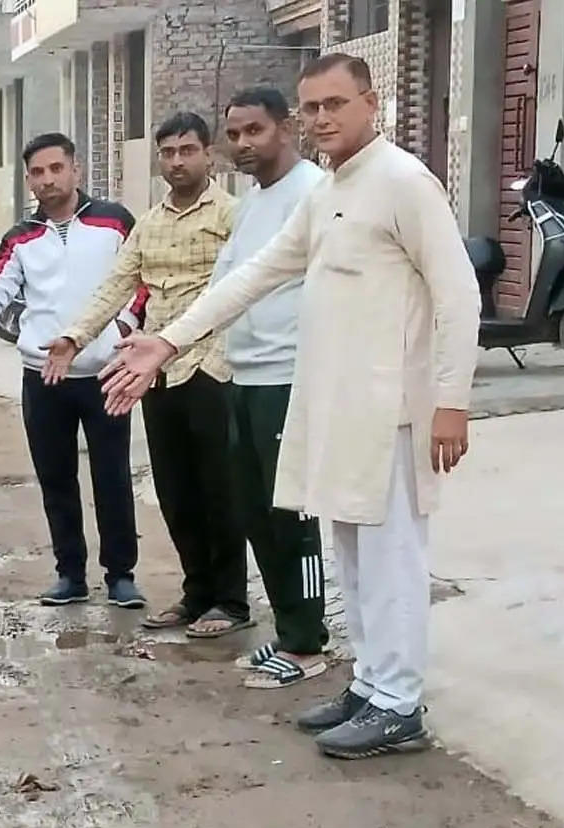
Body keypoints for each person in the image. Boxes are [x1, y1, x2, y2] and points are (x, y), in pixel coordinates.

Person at [98, 54, 479, 759]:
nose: (322, 119)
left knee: (393, 556)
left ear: (372, 103)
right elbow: (256, 274)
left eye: (336, 104)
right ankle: (370, 682)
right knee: (355, 552)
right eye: (311, 108)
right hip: (337, 403)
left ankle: (399, 705)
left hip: (394, 408)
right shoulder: (330, 191)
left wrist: (452, 402)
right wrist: (169, 342)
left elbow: (460, 296)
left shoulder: (403, 182)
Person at [47, 111, 250, 640]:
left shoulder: (233, 216)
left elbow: (247, 287)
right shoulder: (150, 224)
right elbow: (114, 286)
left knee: (219, 490)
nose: (177, 161)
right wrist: (73, 337)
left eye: (187, 150)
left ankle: (230, 601)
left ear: (208, 154)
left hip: (214, 366)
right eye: (168, 152)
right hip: (157, 371)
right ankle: (195, 593)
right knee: (175, 490)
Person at [0, 132, 147, 609]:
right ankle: (70, 573)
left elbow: (142, 279)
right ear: (29, 180)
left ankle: (121, 575)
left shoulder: (114, 223)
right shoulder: (21, 237)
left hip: (104, 373)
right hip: (43, 376)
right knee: (56, 478)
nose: (48, 179)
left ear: (76, 170)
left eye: (56, 168)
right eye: (38, 172)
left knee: (112, 477)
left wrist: (124, 327)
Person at [212, 88, 329, 689]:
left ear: (286, 128)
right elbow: (230, 281)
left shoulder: (313, 193)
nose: (242, 144)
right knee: (255, 510)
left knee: (293, 518)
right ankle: (287, 632)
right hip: (246, 375)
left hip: (289, 376)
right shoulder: (253, 203)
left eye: (254, 130)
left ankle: (310, 641)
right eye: (233, 134)